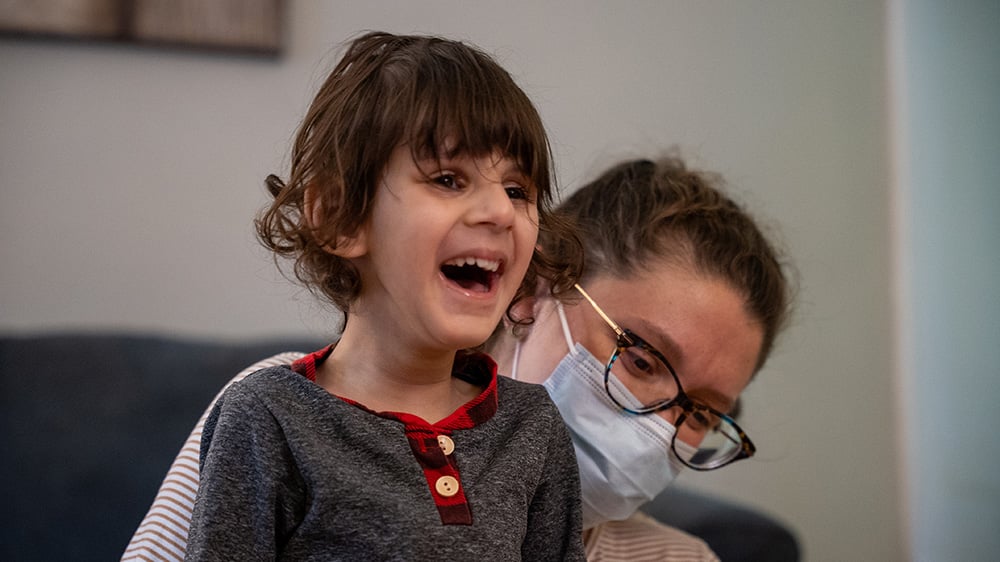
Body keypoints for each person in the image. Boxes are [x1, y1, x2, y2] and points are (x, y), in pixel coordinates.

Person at [163, 31, 586, 560]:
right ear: (340, 217)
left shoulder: (532, 427)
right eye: (449, 179)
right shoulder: (268, 416)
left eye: (518, 190)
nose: (500, 211)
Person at [487, 155, 792, 560]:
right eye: (642, 362)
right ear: (532, 288)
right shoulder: (383, 499)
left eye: (700, 414)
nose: (657, 434)